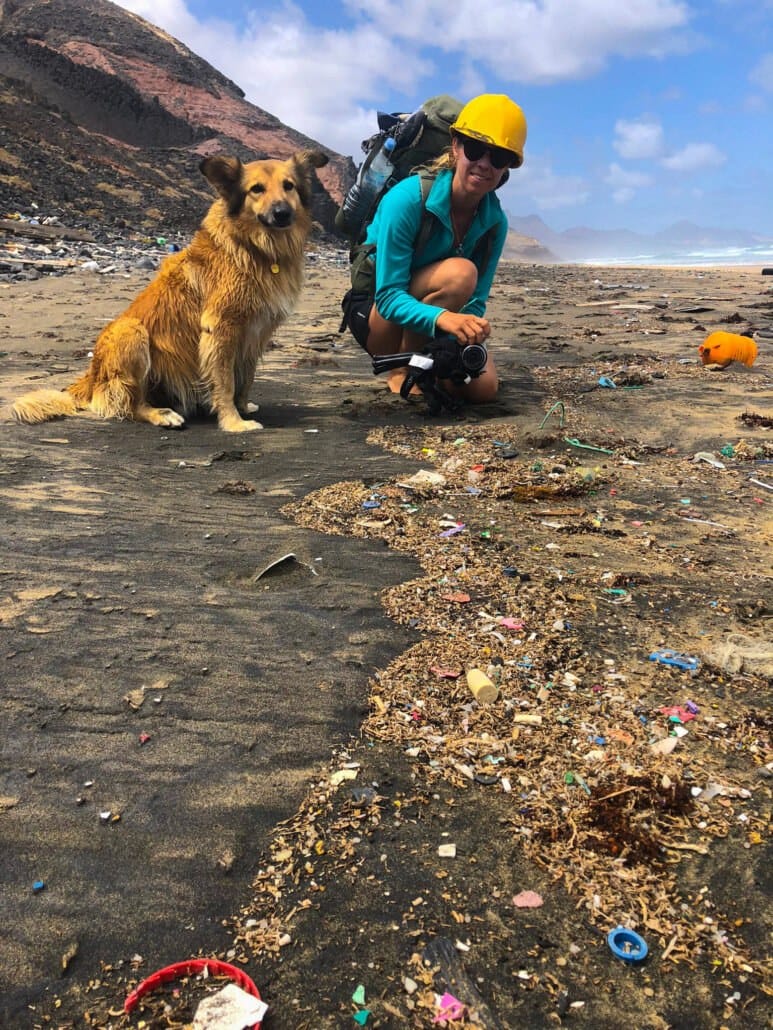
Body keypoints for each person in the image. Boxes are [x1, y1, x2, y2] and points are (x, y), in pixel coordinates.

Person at [341, 93, 527, 403]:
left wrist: (463, 337)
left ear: (508, 167)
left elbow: (476, 302)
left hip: (433, 319)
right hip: (378, 316)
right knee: (460, 274)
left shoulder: (495, 223)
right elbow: (388, 297)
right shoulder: (408, 199)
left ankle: (427, 364)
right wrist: (444, 320)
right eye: (476, 149)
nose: (484, 164)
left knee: (482, 389)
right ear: (456, 146)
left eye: (497, 157)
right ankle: (401, 369)